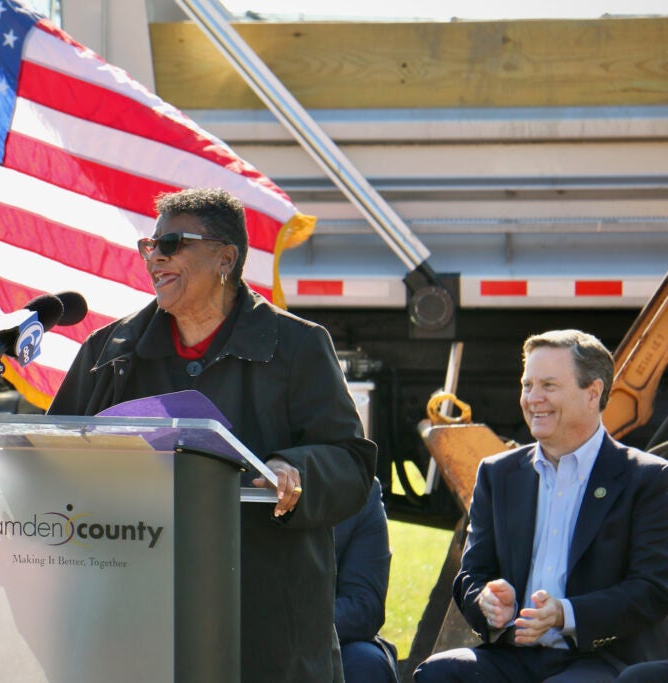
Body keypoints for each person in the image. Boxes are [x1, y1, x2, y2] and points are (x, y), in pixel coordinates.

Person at [48, 187, 376, 682]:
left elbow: (350, 461)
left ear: (226, 258)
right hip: (134, 610)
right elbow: (54, 453)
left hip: (262, 620)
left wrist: (293, 468)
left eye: (173, 243)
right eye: (149, 245)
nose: (155, 256)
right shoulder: (110, 349)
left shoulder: (298, 346)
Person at [414, 329, 668, 683]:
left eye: (548, 386)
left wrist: (566, 614)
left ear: (593, 393)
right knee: (440, 673)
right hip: (512, 655)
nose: (533, 398)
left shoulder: (648, 479)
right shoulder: (497, 473)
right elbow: (471, 575)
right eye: (527, 385)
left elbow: (653, 589)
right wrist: (487, 602)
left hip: (602, 658)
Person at [334, 477, 399, 683]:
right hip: (240, 628)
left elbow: (364, 606)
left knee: (364, 662)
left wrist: (296, 629)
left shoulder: (359, 489)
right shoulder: (237, 478)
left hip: (322, 631)